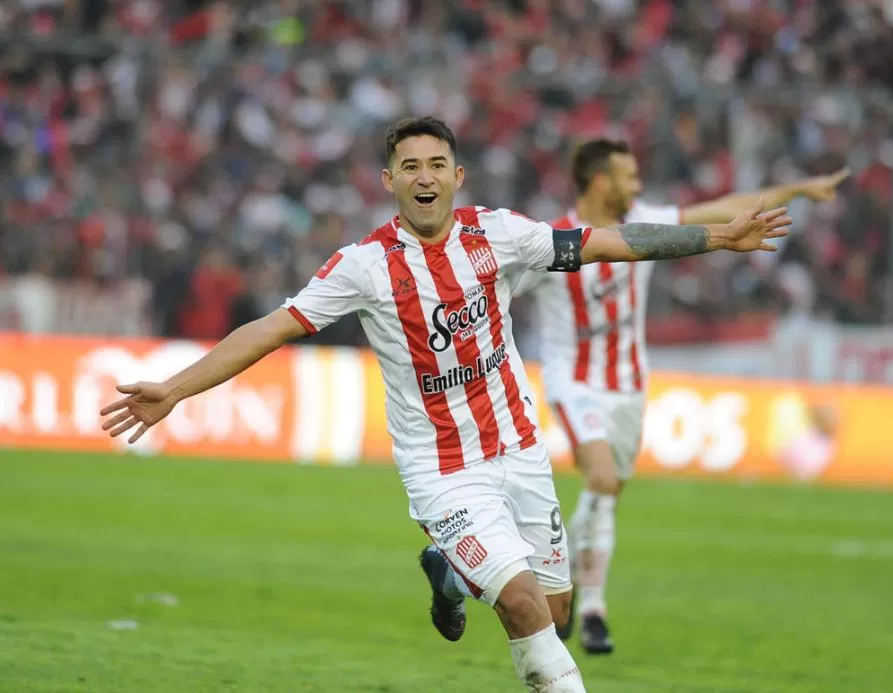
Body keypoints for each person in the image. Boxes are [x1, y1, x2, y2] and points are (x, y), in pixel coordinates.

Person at [99, 117, 792, 693]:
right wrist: (175, 388)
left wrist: (719, 238)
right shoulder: (364, 266)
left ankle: (452, 573)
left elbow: (609, 242)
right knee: (522, 604)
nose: (424, 175)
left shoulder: (500, 234)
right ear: (389, 181)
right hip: (442, 469)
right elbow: (270, 329)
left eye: (437, 163)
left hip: (518, 447)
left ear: (458, 177)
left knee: (552, 608)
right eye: (410, 166)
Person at [516, 138, 848, 655]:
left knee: (606, 495)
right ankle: (593, 611)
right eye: (629, 176)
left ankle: (580, 592)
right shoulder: (551, 241)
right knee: (600, 476)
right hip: (574, 381)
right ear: (601, 181)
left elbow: (726, 208)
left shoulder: (644, 217)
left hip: (629, 382)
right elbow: (499, 287)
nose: (639, 186)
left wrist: (797, 190)